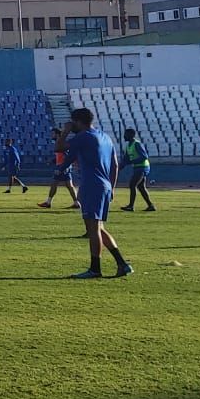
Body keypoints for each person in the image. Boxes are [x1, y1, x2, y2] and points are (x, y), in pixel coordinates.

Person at [64, 106, 135, 279]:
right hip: (104, 185)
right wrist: (112, 187)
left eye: (73, 122)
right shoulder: (105, 137)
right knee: (99, 227)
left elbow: (59, 147)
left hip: (91, 185)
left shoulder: (83, 137)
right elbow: (115, 165)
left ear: (78, 122)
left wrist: (65, 131)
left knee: (93, 229)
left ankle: (95, 269)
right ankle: (122, 264)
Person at [37, 125, 80, 209]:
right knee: (69, 186)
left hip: (62, 167)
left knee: (54, 183)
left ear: (57, 134)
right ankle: (76, 203)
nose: (51, 135)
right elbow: (61, 154)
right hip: (64, 166)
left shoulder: (60, 142)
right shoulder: (60, 142)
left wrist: (63, 166)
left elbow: (66, 154)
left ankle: (48, 202)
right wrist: (52, 161)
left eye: (53, 133)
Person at [121, 128, 156, 212]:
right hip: (137, 167)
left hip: (142, 167)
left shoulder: (137, 144)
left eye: (126, 134)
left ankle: (131, 206)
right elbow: (126, 159)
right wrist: (119, 166)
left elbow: (144, 156)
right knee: (141, 187)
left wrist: (132, 161)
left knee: (132, 184)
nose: (124, 136)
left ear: (131, 135)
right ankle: (151, 206)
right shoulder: (128, 146)